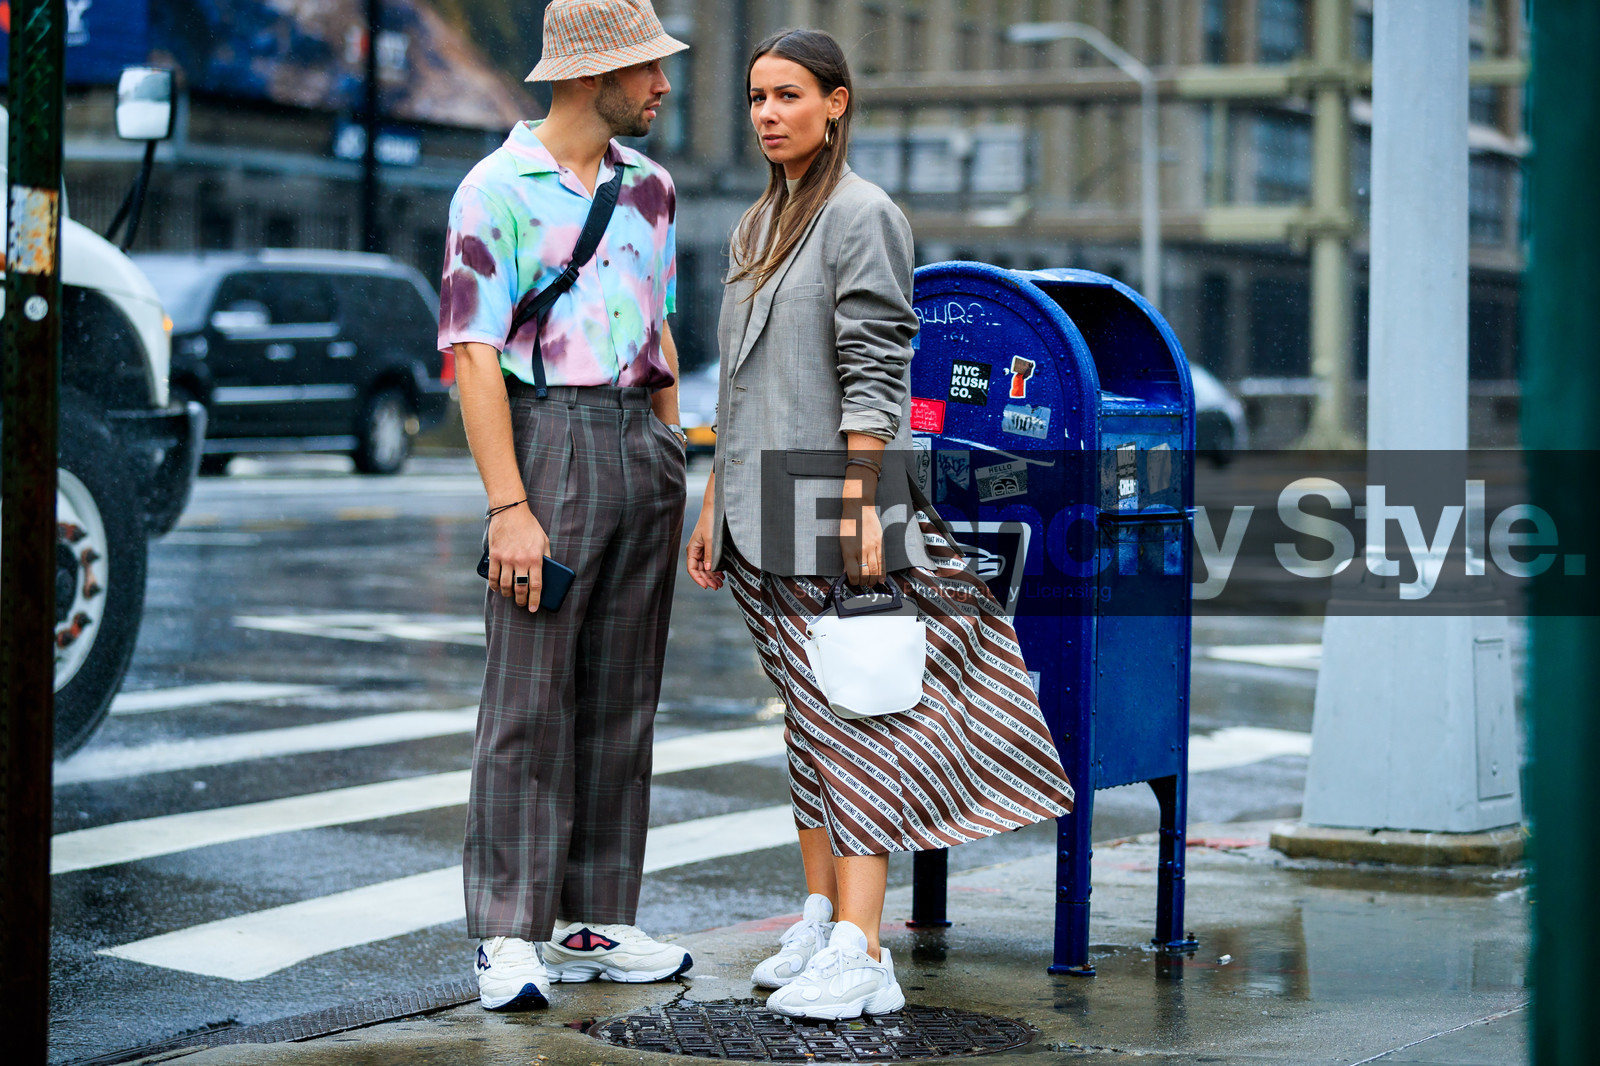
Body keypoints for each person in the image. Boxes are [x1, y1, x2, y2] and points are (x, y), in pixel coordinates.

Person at [684, 28, 1077, 1021]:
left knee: (856, 725)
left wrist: (864, 510)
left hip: (833, 507)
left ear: (837, 104)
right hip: (756, 512)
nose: (768, 113)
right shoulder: (758, 222)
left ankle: (863, 949)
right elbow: (737, 384)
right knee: (806, 729)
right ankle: (819, 915)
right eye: (756, 96)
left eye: (788, 95)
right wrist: (710, 504)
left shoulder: (862, 217)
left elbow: (875, 377)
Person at [438, 0, 693, 1012]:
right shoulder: (493, 189)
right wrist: (510, 505)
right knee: (527, 701)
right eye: (649, 71)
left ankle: (594, 917)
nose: (662, 87)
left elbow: (661, 328)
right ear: (596, 79)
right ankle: (508, 930)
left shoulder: (653, 191)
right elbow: (472, 354)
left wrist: (676, 448)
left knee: (622, 694)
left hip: (643, 441)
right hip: (550, 440)